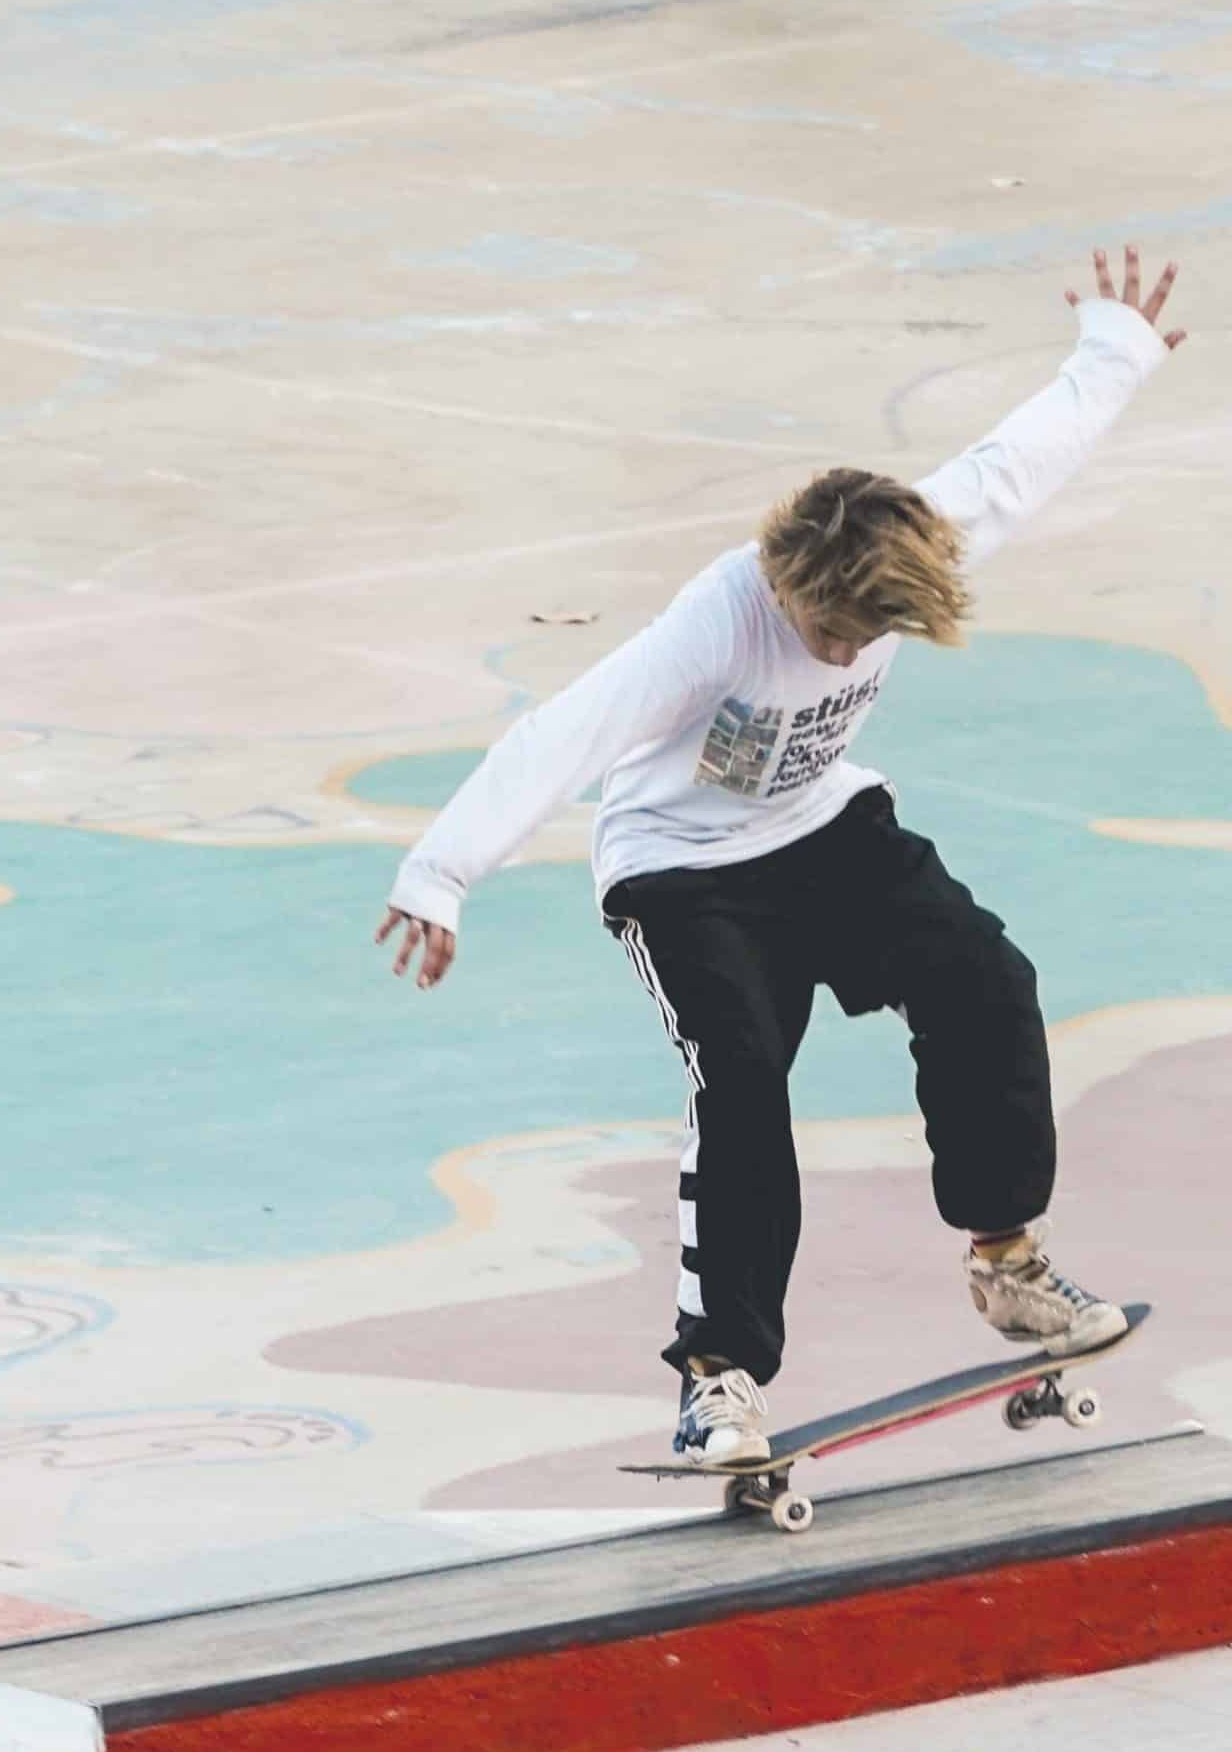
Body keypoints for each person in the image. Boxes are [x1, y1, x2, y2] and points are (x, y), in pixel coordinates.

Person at [375, 243, 1188, 1469]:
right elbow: (566, 731)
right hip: (681, 872)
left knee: (986, 980)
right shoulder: (715, 622)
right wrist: (440, 874)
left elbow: (1018, 464)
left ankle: (1007, 1259)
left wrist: (1114, 350)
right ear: (788, 584)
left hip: (823, 829)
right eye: (829, 630)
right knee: (743, 1078)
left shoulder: (916, 542)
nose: (846, 649)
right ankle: (720, 1378)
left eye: (868, 634)